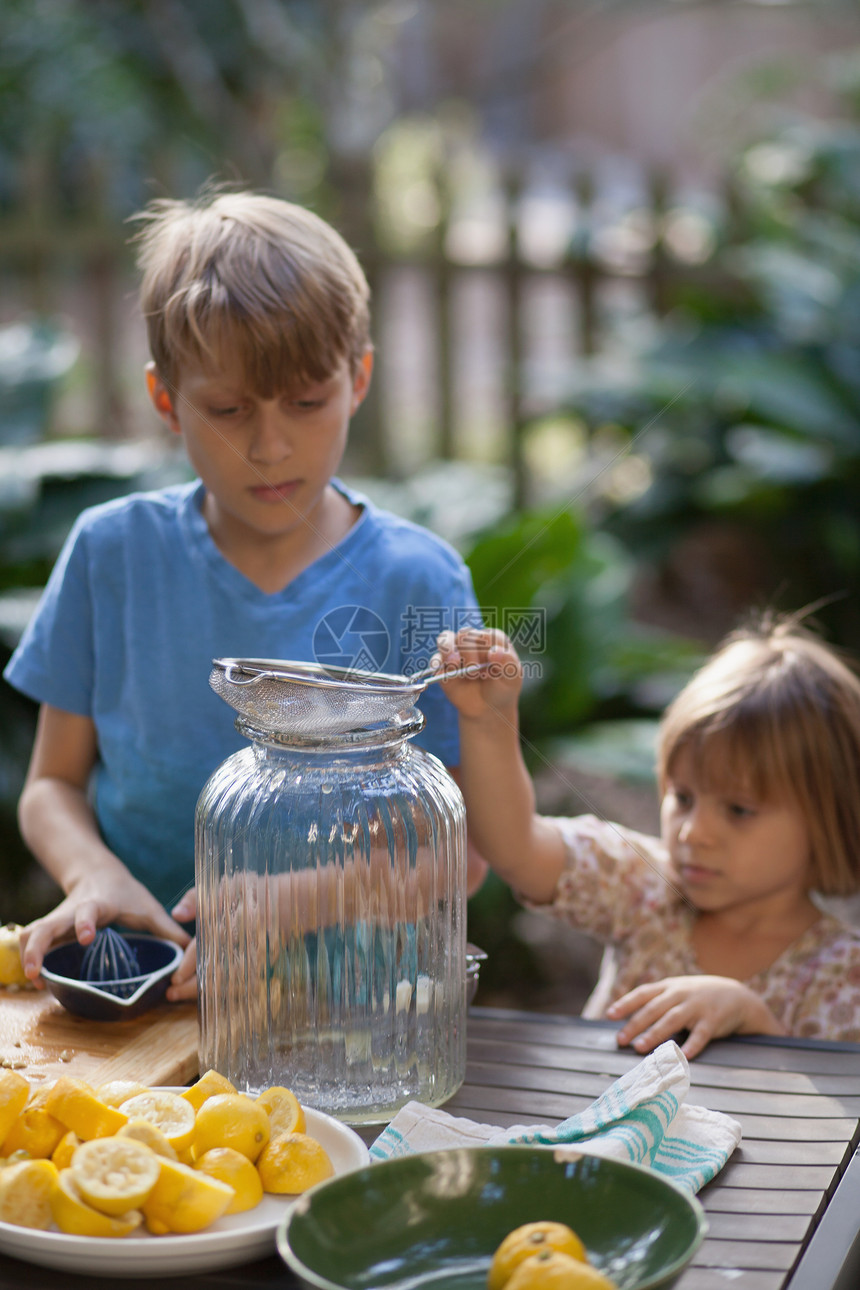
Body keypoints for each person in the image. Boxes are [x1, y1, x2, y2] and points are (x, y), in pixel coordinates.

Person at [3, 188, 485, 998]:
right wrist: (93, 877)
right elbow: (50, 784)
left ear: (358, 379)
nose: (269, 445)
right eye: (227, 409)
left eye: (307, 402)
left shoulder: (419, 579)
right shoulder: (110, 554)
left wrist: (291, 904)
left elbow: (462, 851)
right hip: (153, 999)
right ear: (166, 400)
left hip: (357, 1016)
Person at [437, 615, 860, 1057]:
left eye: (738, 810)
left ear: (825, 820)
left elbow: (825, 1119)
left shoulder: (843, 977)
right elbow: (515, 848)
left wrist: (754, 1019)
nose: (694, 832)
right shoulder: (641, 883)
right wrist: (488, 720)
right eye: (683, 797)